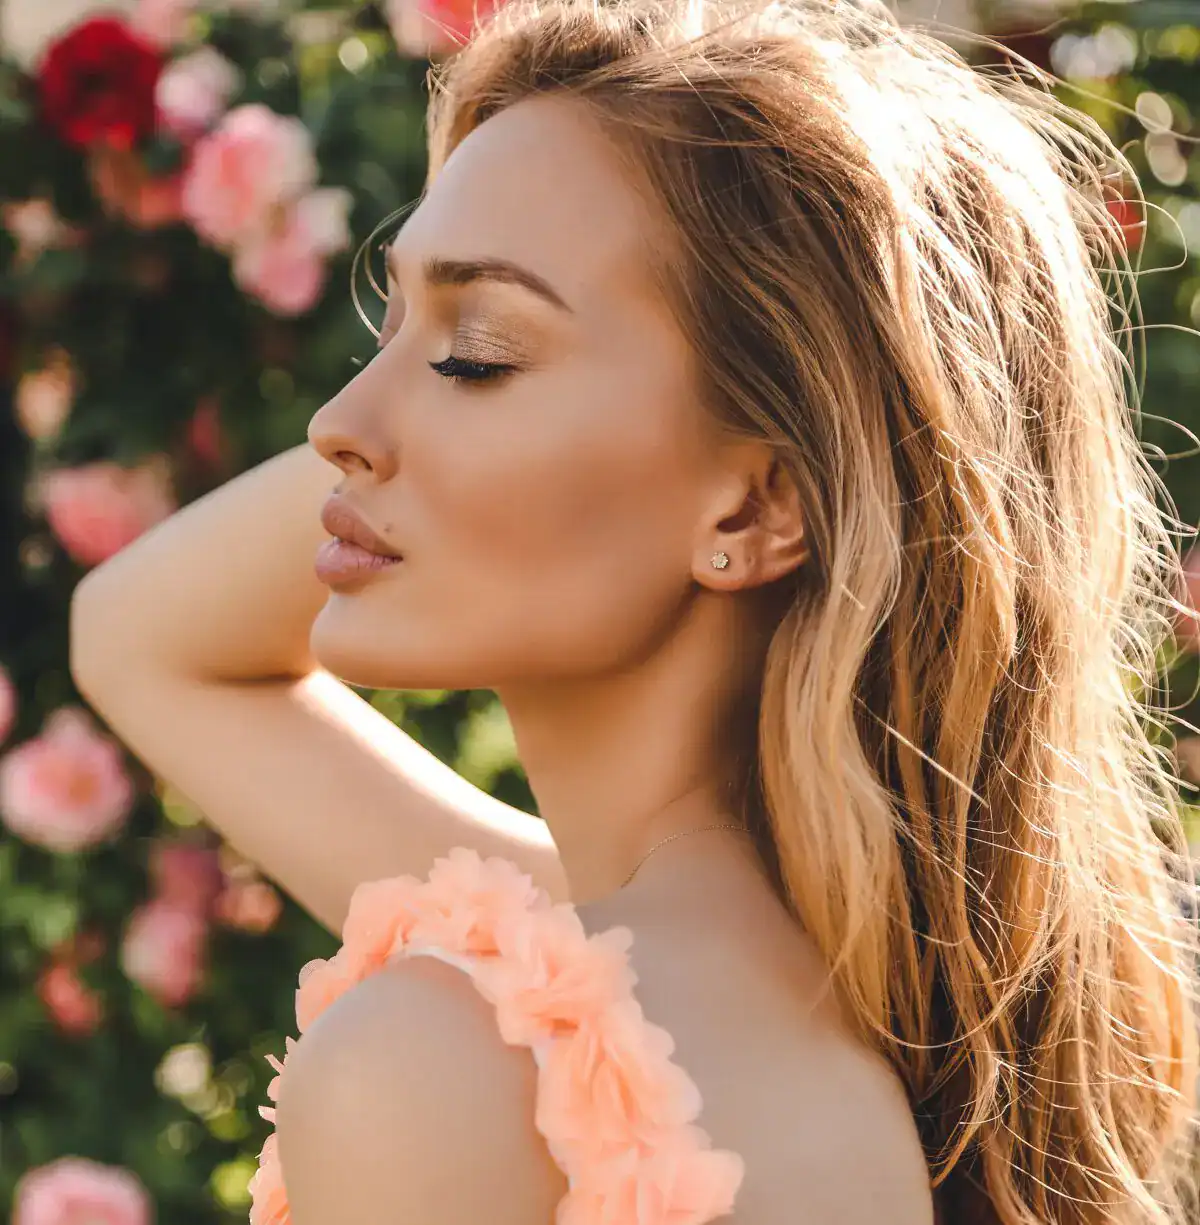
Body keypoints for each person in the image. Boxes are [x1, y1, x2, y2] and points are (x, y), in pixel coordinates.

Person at [68, 0, 1200, 1220]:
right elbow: (140, 638)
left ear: (758, 509)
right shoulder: (928, 1013)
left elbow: (145, 633)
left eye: (479, 354)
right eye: (384, 326)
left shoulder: (470, 1066)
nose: (335, 425)